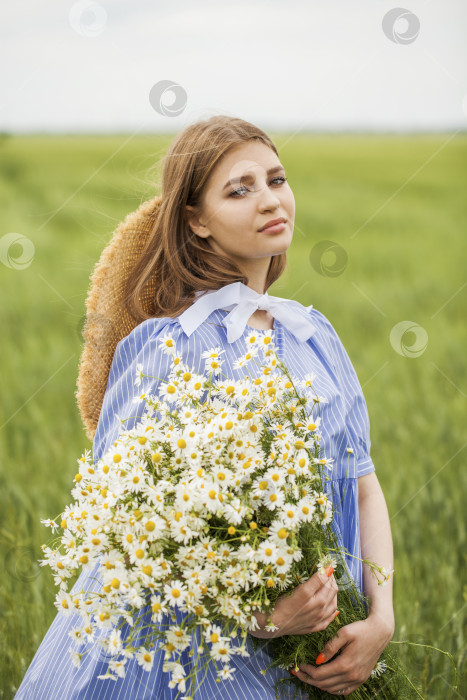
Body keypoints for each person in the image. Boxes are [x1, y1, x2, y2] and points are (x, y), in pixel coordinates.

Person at [15, 115, 395, 699]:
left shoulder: (313, 335)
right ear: (196, 221)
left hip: (318, 649)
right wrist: (261, 621)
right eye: (239, 189)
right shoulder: (167, 345)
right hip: (192, 658)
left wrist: (379, 618)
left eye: (276, 179)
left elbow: (362, 483)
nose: (269, 199)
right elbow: (128, 528)